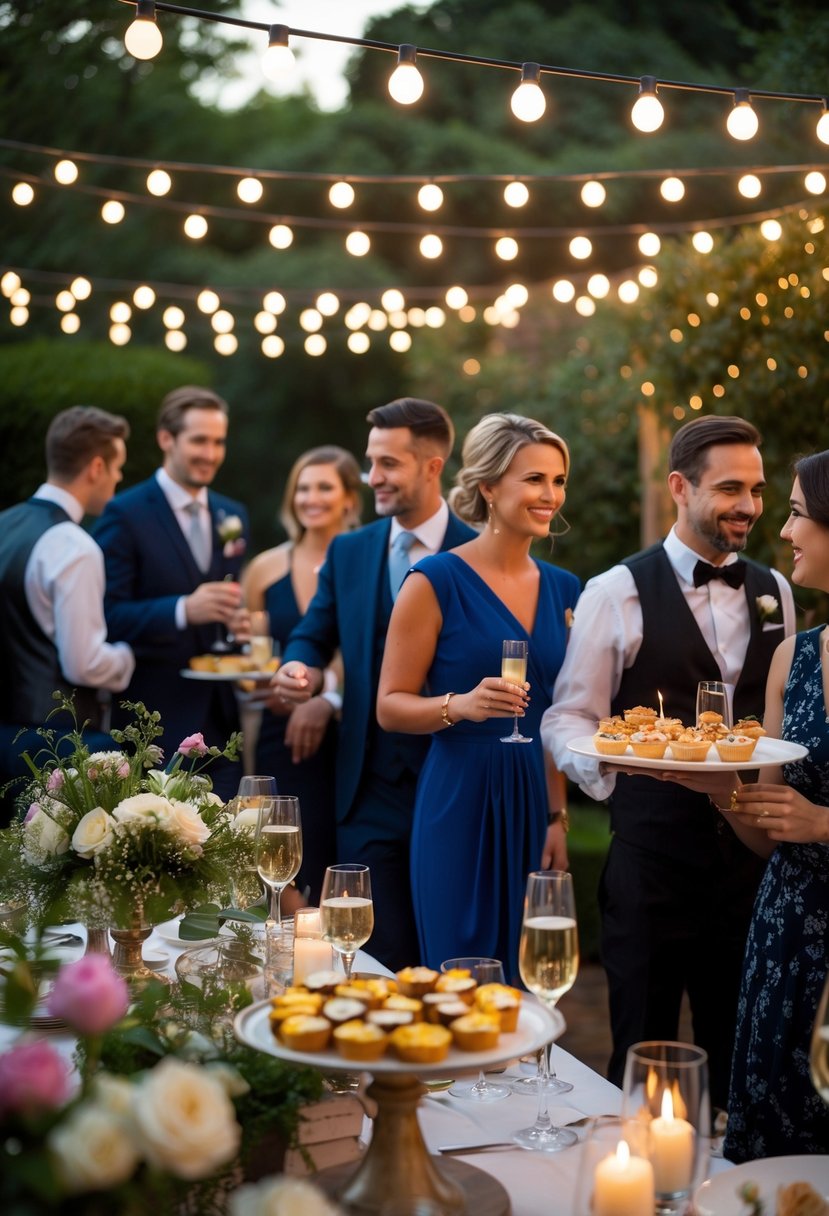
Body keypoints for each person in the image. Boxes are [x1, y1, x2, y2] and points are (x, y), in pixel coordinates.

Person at [542, 415, 795, 1110]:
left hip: (750, 868)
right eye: (729, 488)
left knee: (739, 1051)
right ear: (680, 488)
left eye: (756, 489)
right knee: (641, 1055)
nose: (747, 505)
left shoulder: (776, 588)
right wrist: (616, 767)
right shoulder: (613, 592)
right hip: (650, 863)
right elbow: (566, 717)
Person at [663, 451, 829, 1160]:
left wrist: (823, 824)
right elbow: (768, 831)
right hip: (785, 941)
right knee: (772, 1161)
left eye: (795, 512)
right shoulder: (793, 657)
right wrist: (722, 790)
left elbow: (808, 823)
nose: (783, 531)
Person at [272, 398, 476, 970]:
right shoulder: (350, 551)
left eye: (388, 463)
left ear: (433, 467)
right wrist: (298, 667)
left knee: (448, 957)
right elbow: (314, 632)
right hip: (366, 790)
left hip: (452, 779)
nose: (372, 477)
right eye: (371, 461)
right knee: (372, 952)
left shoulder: (478, 551)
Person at [376, 413, 580, 981]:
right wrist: (457, 706)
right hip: (458, 798)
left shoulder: (566, 588)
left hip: (531, 798)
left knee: (528, 971)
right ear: (488, 486)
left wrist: (556, 815)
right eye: (534, 479)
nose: (550, 495)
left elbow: (555, 714)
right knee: (460, 975)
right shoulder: (434, 579)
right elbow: (389, 705)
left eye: (558, 480)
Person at [95, 386, 249, 800]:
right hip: (154, 728)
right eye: (199, 440)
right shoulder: (125, 514)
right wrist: (183, 610)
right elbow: (108, 615)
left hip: (221, 727)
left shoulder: (232, 513)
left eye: (219, 442)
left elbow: (225, 601)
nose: (211, 454)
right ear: (167, 438)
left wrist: (237, 627)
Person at [0, 406, 134, 823]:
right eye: (117, 468)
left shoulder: (4, 523)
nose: (119, 478)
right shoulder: (75, 546)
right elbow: (85, 663)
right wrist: (127, 657)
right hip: (51, 745)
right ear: (96, 467)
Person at [242, 445, 362, 904]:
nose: (311, 498)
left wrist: (323, 697)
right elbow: (251, 657)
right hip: (280, 733)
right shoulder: (264, 569)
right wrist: (263, 678)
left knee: (340, 862)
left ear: (350, 498)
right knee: (282, 858)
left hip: (350, 731)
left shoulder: (366, 563)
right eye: (303, 488)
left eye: (325, 487)